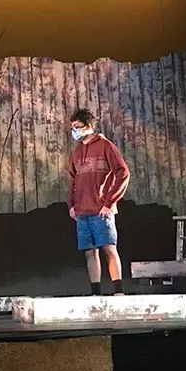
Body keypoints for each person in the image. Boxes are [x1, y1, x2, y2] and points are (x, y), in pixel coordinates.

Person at [67, 108, 131, 296]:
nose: (75, 131)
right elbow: (72, 180)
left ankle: (118, 290)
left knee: (108, 248)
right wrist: (71, 205)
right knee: (89, 251)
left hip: (101, 209)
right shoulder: (77, 152)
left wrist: (109, 202)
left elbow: (123, 173)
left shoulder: (105, 146)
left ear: (88, 126)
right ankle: (95, 292)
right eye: (73, 127)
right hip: (82, 210)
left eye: (78, 127)